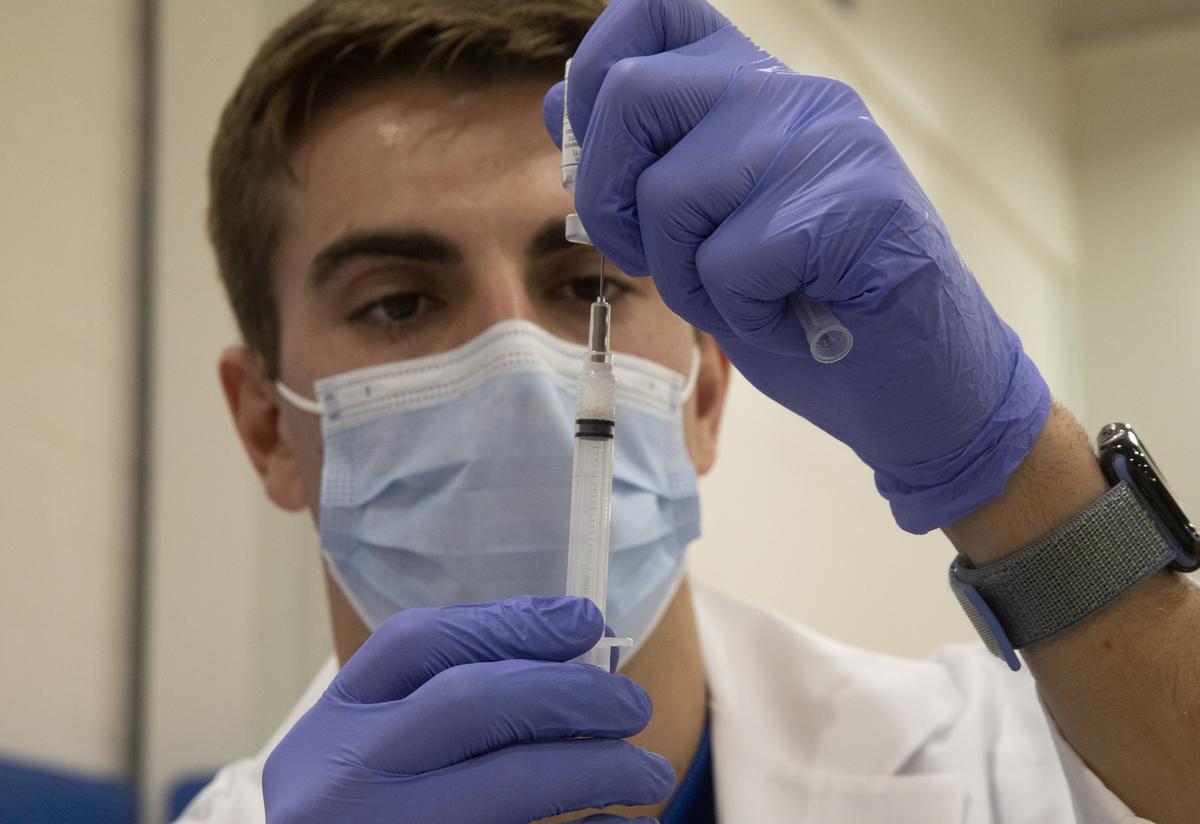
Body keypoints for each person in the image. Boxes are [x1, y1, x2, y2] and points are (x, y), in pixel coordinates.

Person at [181, 0, 1200, 822]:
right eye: (397, 302)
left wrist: (1009, 465)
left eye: (586, 287)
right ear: (268, 429)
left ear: (706, 393)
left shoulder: (1004, 768)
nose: (522, 364)